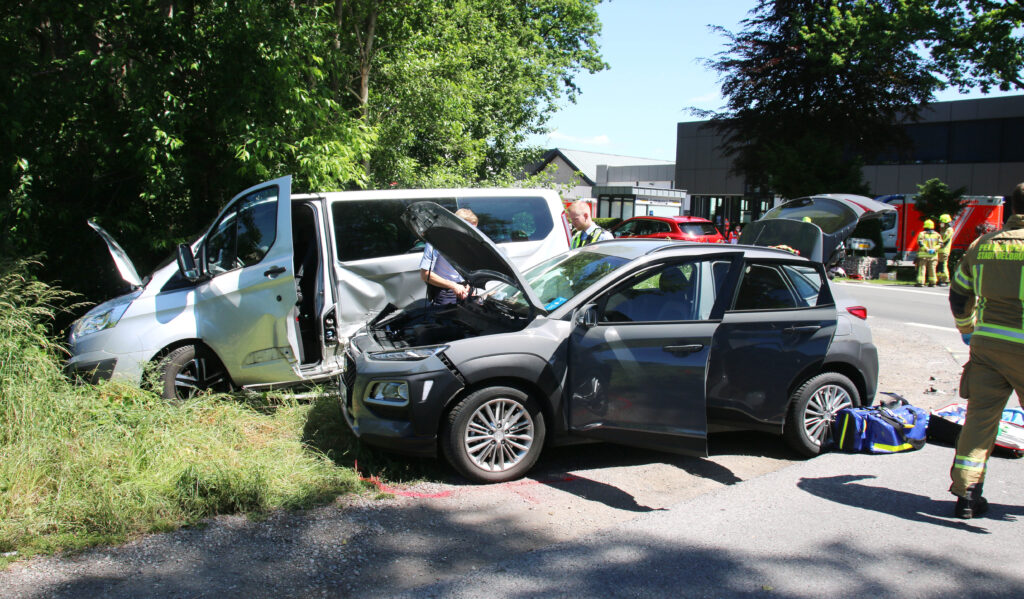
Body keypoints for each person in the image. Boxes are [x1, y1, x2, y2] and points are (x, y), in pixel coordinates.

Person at [947, 182, 1024, 519]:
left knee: (979, 421)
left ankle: (966, 495)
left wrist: (967, 331)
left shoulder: (982, 245)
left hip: (988, 347)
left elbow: (959, 295)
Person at [420, 208, 478, 305]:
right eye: (468, 230)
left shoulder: (469, 242)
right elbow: (425, 274)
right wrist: (453, 286)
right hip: (445, 292)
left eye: (473, 231)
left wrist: (469, 284)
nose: (471, 234)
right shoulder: (436, 241)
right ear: (456, 225)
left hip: (465, 289)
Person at [915, 219, 942, 287]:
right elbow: (941, 244)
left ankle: (921, 282)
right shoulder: (937, 235)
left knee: (922, 269)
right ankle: (933, 283)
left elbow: (920, 244)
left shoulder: (922, 234)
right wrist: (934, 249)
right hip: (933, 256)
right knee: (932, 269)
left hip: (923, 256)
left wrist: (927, 250)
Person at [936, 213, 954, 286]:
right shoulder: (943, 229)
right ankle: (939, 279)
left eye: (942, 222)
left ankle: (945, 280)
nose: (940, 224)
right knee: (940, 265)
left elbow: (944, 240)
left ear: (945, 222)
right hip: (940, 250)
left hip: (944, 250)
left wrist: (939, 243)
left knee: (943, 265)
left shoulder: (949, 229)